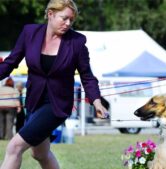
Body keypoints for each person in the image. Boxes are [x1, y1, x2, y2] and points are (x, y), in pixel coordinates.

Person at [0, 0, 107, 168]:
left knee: (14, 147)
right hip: (34, 101)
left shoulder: (76, 42)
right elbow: (10, 62)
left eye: (71, 20)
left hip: (57, 106)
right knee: (39, 154)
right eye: (64, 18)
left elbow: (87, 76)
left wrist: (97, 101)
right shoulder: (30, 33)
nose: (68, 24)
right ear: (50, 14)